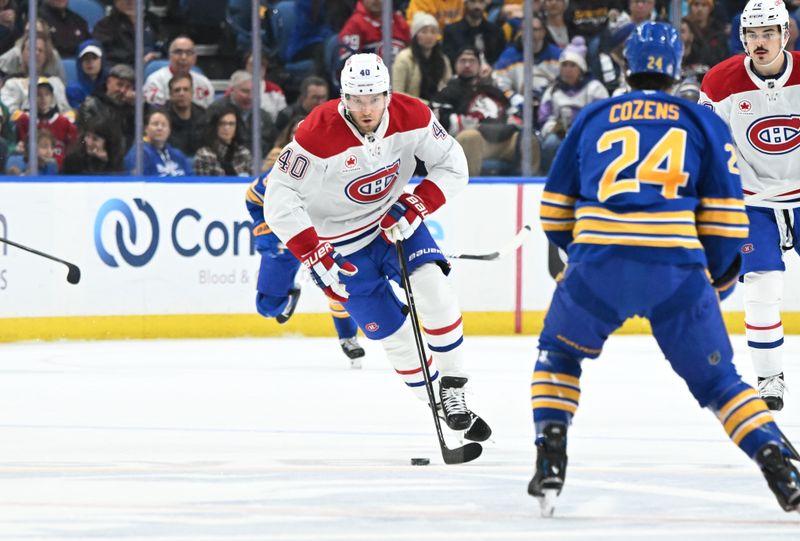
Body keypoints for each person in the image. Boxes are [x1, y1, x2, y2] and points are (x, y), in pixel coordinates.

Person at [529, 21, 800, 517]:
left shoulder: (593, 116)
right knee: (722, 386)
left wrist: (583, 255)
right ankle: (779, 466)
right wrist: (716, 276)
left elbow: (552, 212)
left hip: (597, 269)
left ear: (627, 64)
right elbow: (724, 216)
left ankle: (550, 455)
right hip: (675, 271)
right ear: (675, 68)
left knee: (557, 357)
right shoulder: (700, 121)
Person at [263, 53, 491, 440]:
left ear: (388, 93)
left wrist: (418, 204)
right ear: (343, 97)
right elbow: (279, 196)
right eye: (356, 99)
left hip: (395, 223)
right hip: (339, 248)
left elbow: (453, 166)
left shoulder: (413, 114)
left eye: (374, 98)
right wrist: (313, 251)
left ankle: (454, 388)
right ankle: (436, 402)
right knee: (396, 338)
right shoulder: (317, 131)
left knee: (434, 291)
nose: (366, 109)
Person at [699, 0, 800, 411]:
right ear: (742, 37)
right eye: (753, 34)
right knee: (762, 286)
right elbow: (709, 146)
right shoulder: (720, 81)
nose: (761, 43)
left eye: (769, 33)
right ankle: (770, 379)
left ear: (785, 34)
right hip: (752, 200)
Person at [245, 171, 368, 367]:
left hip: (328, 235)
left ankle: (347, 337)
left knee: (339, 284)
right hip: (288, 238)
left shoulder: (345, 165)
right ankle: (290, 293)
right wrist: (263, 228)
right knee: (267, 307)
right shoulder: (287, 168)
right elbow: (253, 199)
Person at [432, 45, 540, 176]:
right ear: (455, 65)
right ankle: (467, 190)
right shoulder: (449, 91)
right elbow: (438, 121)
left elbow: (513, 113)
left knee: (528, 139)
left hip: (503, 141)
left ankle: (526, 188)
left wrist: (510, 125)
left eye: (472, 61)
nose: (467, 65)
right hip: (477, 141)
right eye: (463, 61)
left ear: (479, 65)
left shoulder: (492, 89)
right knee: (470, 136)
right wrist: (476, 125)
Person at [13, 77, 78, 170]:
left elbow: (73, 148)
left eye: (47, 94)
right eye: (38, 95)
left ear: (52, 97)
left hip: (61, 174)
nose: (43, 98)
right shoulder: (24, 120)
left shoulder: (64, 122)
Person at [391, 12, 452, 104]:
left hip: (437, 107)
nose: (429, 36)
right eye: (424, 32)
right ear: (415, 35)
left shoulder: (443, 59)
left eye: (433, 32)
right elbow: (397, 93)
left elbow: (449, 86)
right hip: (412, 108)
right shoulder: (403, 59)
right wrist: (427, 104)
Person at [143, 36, 214, 109]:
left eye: (189, 53)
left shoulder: (204, 83)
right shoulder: (155, 81)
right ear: (170, 56)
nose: (183, 57)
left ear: (195, 58)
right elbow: (153, 114)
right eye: (178, 52)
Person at [123, 109, 191, 176]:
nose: (159, 128)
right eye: (155, 124)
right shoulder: (138, 154)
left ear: (169, 131)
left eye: (164, 125)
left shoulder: (178, 155)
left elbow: (191, 180)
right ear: (146, 129)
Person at [194, 106, 252, 176]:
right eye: (222, 123)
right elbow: (202, 185)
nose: (227, 128)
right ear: (215, 126)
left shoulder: (243, 153)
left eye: (231, 124)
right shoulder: (204, 154)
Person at [163, 73, 207, 157]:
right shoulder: (163, 117)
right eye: (177, 90)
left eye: (186, 89)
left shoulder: (202, 116)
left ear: (192, 93)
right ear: (170, 95)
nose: (182, 94)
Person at [66, 39, 106, 109]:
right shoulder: (74, 90)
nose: (90, 62)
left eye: (94, 57)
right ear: (80, 63)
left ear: (102, 60)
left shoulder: (110, 84)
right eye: (85, 58)